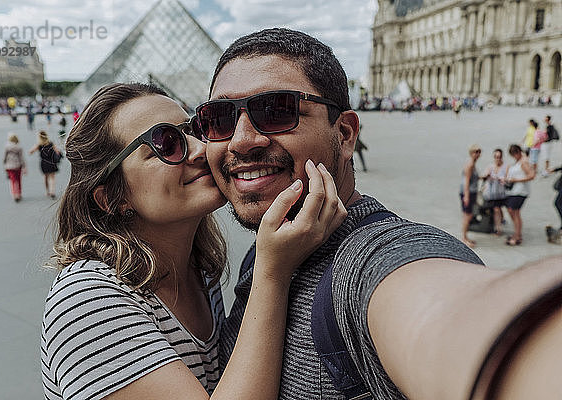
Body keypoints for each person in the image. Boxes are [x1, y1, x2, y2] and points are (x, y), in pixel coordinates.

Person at [199, 28, 562, 400]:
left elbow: (453, 314)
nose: (242, 140)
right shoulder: (269, 248)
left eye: (277, 110)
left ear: (344, 134)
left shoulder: (376, 260)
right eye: (218, 118)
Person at [40, 82, 346, 400]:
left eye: (195, 129)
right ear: (112, 198)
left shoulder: (197, 268)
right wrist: (272, 273)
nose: (201, 149)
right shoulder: (86, 300)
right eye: (167, 143)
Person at [503, 144, 535, 246]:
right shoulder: (519, 161)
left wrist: (516, 180)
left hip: (520, 191)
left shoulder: (523, 162)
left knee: (514, 211)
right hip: (515, 191)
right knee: (512, 211)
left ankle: (517, 236)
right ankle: (517, 233)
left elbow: (531, 175)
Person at [481, 148, 507, 236]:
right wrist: (487, 176)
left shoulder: (505, 167)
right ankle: (498, 225)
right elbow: (483, 176)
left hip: (501, 193)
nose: (497, 159)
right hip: (491, 193)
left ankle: (498, 227)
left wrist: (503, 180)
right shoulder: (490, 166)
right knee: (497, 209)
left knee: (497, 209)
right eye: (496, 157)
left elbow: (508, 178)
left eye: (499, 157)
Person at [29, 130, 61, 199]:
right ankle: (52, 191)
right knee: (52, 177)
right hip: (51, 162)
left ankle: (48, 191)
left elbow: (31, 151)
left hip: (44, 162)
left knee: (46, 177)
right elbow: (58, 151)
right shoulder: (51, 143)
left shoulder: (39, 145)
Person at [460, 144, 481, 247]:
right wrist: (466, 196)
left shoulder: (473, 164)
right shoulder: (470, 165)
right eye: (475, 152)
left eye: (478, 152)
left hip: (472, 192)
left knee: (469, 215)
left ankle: (466, 236)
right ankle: (463, 238)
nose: (477, 154)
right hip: (468, 192)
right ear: (471, 153)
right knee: (467, 215)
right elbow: (467, 181)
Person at [3, 133, 26, 202]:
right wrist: (24, 166)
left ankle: (15, 194)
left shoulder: (7, 147)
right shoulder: (19, 147)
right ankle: (19, 193)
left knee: (13, 181)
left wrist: (5, 164)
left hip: (9, 166)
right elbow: (21, 158)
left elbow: (5, 157)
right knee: (18, 180)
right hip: (17, 165)